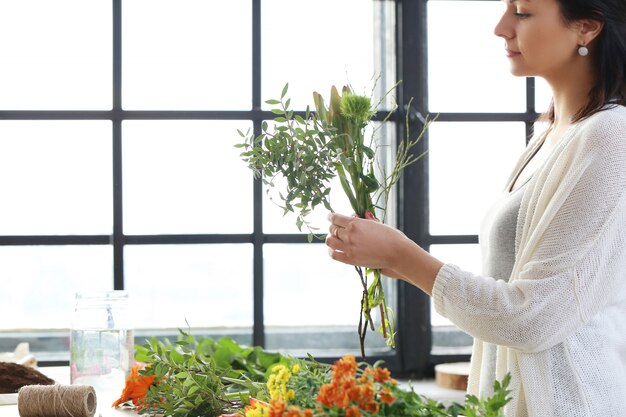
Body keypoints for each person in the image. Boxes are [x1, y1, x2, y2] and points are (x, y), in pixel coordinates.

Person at [325, 0, 626, 415]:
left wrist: (404, 256)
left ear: (586, 29)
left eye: (522, 12)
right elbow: (519, 289)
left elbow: (532, 317)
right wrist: (389, 257)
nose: (501, 28)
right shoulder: (549, 135)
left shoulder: (612, 136)